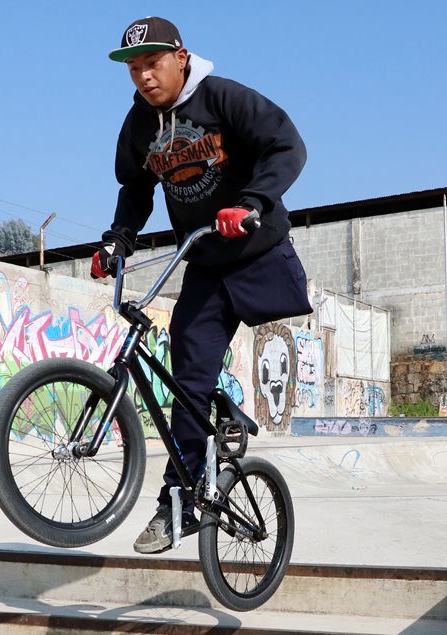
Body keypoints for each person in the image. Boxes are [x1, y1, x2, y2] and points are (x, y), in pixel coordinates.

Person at [92, 16, 310, 554]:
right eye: (134, 68)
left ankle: (223, 410)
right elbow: (135, 191)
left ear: (181, 57)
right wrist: (118, 240)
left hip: (258, 253)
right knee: (188, 375)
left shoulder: (224, 99)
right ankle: (178, 504)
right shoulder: (139, 126)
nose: (144, 76)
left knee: (198, 371)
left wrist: (254, 203)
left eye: (153, 63)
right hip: (205, 262)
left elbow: (288, 146)